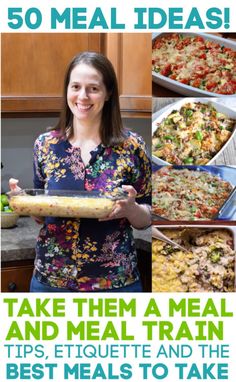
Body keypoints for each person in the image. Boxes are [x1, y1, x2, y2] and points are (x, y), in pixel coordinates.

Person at [9, 51, 151, 293]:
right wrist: (26, 202)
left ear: (107, 94)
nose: (83, 96)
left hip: (114, 282)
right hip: (51, 281)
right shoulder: (45, 145)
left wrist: (132, 209)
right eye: (76, 86)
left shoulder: (132, 146)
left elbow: (148, 215)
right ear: (67, 90)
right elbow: (45, 213)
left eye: (93, 88)